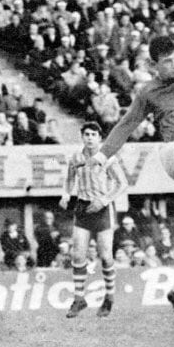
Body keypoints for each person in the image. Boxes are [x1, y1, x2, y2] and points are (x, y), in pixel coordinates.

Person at [85, 36, 174, 318]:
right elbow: (126, 125)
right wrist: (101, 157)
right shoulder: (149, 92)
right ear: (154, 65)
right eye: (167, 62)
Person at [59, 121, 128, 318]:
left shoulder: (107, 158)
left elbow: (122, 183)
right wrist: (66, 194)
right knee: (78, 255)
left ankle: (109, 297)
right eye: (86, 134)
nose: (89, 138)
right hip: (82, 207)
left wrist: (105, 199)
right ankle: (79, 299)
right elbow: (70, 178)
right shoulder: (76, 157)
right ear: (82, 136)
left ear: (99, 138)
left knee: (106, 256)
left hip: (102, 209)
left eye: (93, 135)